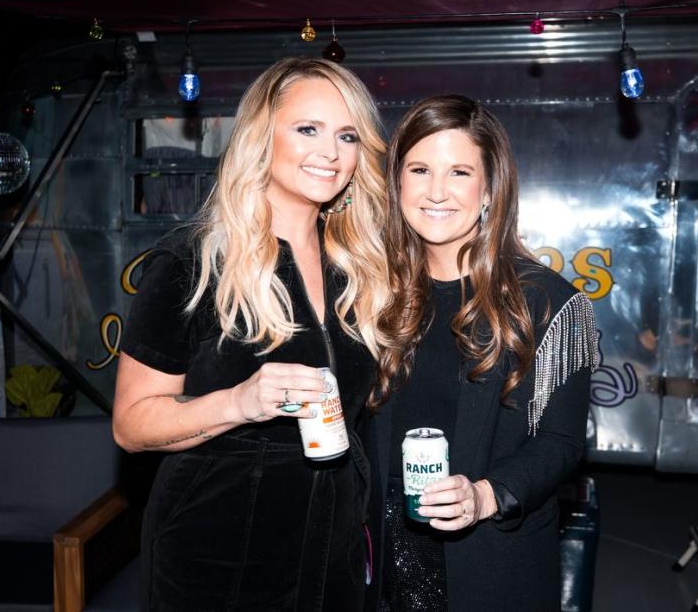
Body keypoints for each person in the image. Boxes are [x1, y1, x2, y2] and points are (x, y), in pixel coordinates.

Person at [112, 56, 391, 611]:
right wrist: (238, 402)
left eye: (347, 136)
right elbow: (131, 425)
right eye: (308, 129)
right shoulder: (192, 263)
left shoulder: (358, 267)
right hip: (218, 548)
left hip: (329, 544)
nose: (330, 152)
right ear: (262, 139)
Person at [365, 95, 596, 611]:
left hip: (490, 561)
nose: (437, 191)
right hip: (379, 560)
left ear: (490, 187)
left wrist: (484, 496)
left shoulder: (550, 303)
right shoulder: (373, 294)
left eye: (460, 172)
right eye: (419, 169)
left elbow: (560, 444)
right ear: (396, 182)